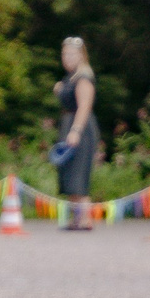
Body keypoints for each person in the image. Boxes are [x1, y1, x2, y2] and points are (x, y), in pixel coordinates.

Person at [52, 36, 97, 231]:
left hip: (81, 128)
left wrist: (76, 131)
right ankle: (75, 218)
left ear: (81, 56)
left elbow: (84, 107)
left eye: (72, 54)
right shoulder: (69, 78)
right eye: (65, 54)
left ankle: (85, 219)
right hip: (69, 125)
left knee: (79, 173)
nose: (67, 57)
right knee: (69, 172)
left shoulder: (83, 78)